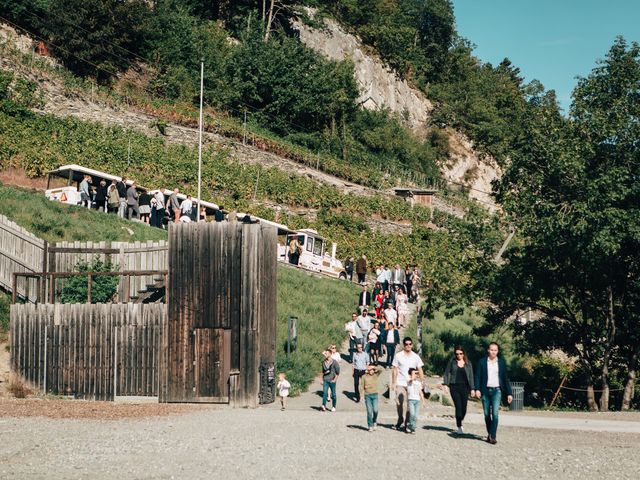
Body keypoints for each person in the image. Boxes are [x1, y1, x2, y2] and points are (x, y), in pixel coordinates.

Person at [474, 342, 513, 444]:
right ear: (488, 350)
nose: (493, 352)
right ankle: (490, 434)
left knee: (495, 414)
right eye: (491, 350)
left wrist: (509, 393)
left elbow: (505, 379)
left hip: (497, 391)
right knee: (487, 415)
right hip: (485, 390)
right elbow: (477, 376)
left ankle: (493, 436)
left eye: (495, 350)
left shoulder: (501, 363)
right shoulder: (482, 362)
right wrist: (477, 389)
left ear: (497, 351)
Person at [391, 337, 425, 431]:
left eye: (410, 344)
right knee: (399, 401)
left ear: (412, 345)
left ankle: (407, 423)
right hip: (400, 382)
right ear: (403, 345)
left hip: (412, 384)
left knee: (410, 404)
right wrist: (393, 383)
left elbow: (420, 369)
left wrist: (422, 382)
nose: (408, 346)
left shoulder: (415, 356)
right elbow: (394, 369)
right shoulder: (398, 355)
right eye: (406, 344)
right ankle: (400, 418)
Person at [443, 346, 474, 434]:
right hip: (454, 387)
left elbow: (471, 376)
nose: (459, 355)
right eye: (457, 354)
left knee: (464, 409)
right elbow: (446, 373)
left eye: (460, 353)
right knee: (458, 407)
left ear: (463, 354)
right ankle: (459, 425)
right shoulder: (452, 362)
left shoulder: (468, 363)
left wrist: (472, 389)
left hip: (465, 388)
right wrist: (445, 384)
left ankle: (460, 419)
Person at [360, 363, 384, 431]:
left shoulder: (376, 375)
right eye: (369, 370)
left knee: (375, 410)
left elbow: (381, 370)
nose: (371, 371)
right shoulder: (364, 376)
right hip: (367, 395)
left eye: (372, 370)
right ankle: (370, 425)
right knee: (369, 411)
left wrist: (373, 367)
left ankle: (374, 421)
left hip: (375, 395)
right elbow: (361, 387)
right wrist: (361, 396)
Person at [406, 368, 425, 434]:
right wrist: (414, 372)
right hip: (411, 400)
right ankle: (409, 426)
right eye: (414, 374)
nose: (416, 375)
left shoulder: (418, 383)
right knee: (412, 414)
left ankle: (413, 428)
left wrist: (423, 401)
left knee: (416, 416)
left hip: (417, 401)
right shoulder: (408, 381)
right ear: (410, 375)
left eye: (416, 374)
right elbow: (411, 379)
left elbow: (420, 392)